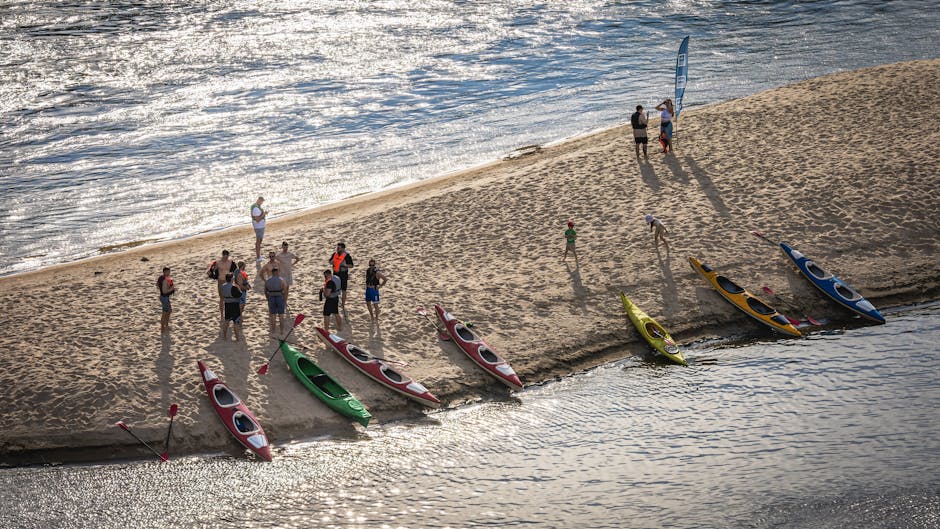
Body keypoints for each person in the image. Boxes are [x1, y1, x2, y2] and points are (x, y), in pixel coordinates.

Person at [210, 250, 235, 318]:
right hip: (221, 281)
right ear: (222, 255)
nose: (226, 259)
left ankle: (230, 313)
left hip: (229, 281)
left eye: (227, 257)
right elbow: (212, 270)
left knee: (230, 297)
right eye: (225, 257)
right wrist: (212, 273)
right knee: (221, 298)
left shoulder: (230, 262)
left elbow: (234, 270)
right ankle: (221, 314)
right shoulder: (218, 262)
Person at [328, 242, 354, 307]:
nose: (337, 249)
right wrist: (332, 262)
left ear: (343, 249)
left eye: (339, 248)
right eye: (337, 247)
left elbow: (351, 265)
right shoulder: (335, 254)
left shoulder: (347, 256)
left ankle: (343, 304)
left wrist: (345, 265)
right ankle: (334, 302)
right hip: (335, 273)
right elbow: (330, 261)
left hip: (343, 274)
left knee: (343, 289)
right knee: (334, 288)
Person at [220, 273, 243, 340]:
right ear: (231, 279)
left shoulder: (222, 286)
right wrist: (238, 288)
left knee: (226, 321)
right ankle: (237, 338)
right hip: (234, 305)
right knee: (236, 322)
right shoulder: (234, 287)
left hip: (227, 305)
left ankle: (224, 337)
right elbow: (240, 295)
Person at [265, 267, 287, 336]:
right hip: (279, 297)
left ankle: (273, 330)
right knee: (281, 315)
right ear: (277, 272)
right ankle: (282, 331)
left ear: (272, 272)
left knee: (273, 315)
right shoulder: (281, 280)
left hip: (271, 297)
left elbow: (265, 291)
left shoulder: (268, 280)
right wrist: (284, 299)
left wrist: (268, 298)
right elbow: (285, 290)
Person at [157, 266, 175, 333]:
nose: (169, 273)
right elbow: (164, 291)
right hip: (164, 297)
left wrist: (170, 286)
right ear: (164, 272)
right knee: (165, 313)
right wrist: (172, 289)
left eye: (169, 272)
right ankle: (162, 328)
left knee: (169, 311)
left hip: (164, 297)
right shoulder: (165, 279)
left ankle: (166, 325)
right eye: (167, 272)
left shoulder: (162, 278)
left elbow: (157, 285)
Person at [251, 197, 267, 262]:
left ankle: (259, 256)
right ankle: (258, 257)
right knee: (258, 241)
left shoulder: (256, 206)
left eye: (262, 202)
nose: (262, 203)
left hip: (260, 226)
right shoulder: (255, 208)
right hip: (258, 227)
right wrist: (264, 214)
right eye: (261, 201)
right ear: (258, 200)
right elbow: (257, 219)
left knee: (259, 240)